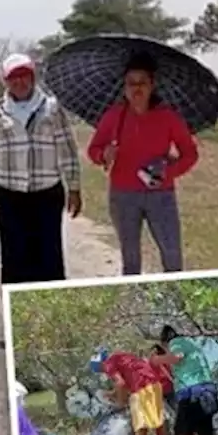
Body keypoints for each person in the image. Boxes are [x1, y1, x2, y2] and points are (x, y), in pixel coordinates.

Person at [0, 53, 83, 283]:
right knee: (14, 258)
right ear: (5, 81)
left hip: (47, 193)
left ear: (33, 77)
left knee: (49, 257)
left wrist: (74, 188)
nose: (19, 82)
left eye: (24, 76)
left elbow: (67, 149)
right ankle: (16, 313)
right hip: (8, 194)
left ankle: (51, 313)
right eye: (13, 77)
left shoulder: (51, 108)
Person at [86, 53, 199, 275]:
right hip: (123, 195)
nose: (137, 89)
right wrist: (104, 155)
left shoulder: (168, 117)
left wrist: (168, 171)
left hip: (161, 195)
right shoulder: (114, 116)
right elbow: (93, 150)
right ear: (124, 87)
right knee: (131, 260)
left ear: (152, 85)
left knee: (172, 255)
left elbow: (190, 154)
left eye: (142, 83)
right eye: (131, 83)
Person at [152, 325, 218, 435]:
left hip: (191, 391)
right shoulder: (192, 344)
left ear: (165, 341)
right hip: (207, 387)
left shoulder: (176, 343)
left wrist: (159, 359)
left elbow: (177, 357)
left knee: (182, 429)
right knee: (205, 428)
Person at [96, 349, 167, 435]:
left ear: (101, 365)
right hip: (154, 384)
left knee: (139, 423)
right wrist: (113, 393)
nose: (105, 373)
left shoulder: (109, 364)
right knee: (157, 418)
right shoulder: (121, 356)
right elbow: (126, 380)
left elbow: (120, 383)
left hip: (141, 388)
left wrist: (120, 403)